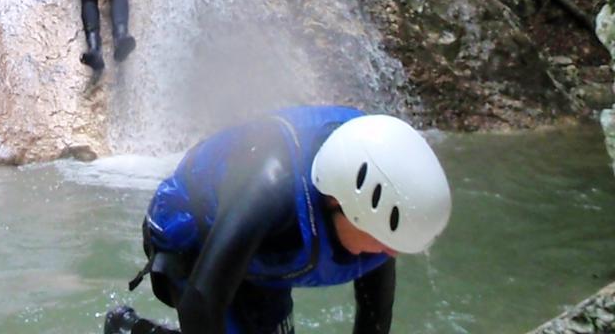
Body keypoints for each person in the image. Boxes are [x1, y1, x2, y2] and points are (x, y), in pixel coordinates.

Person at [105, 106, 453, 334]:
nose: (389, 254)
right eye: (382, 243)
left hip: (264, 248)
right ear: (337, 201)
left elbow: (375, 311)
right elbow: (202, 298)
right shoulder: (270, 185)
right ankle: (126, 329)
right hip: (198, 237)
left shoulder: (374, 202)